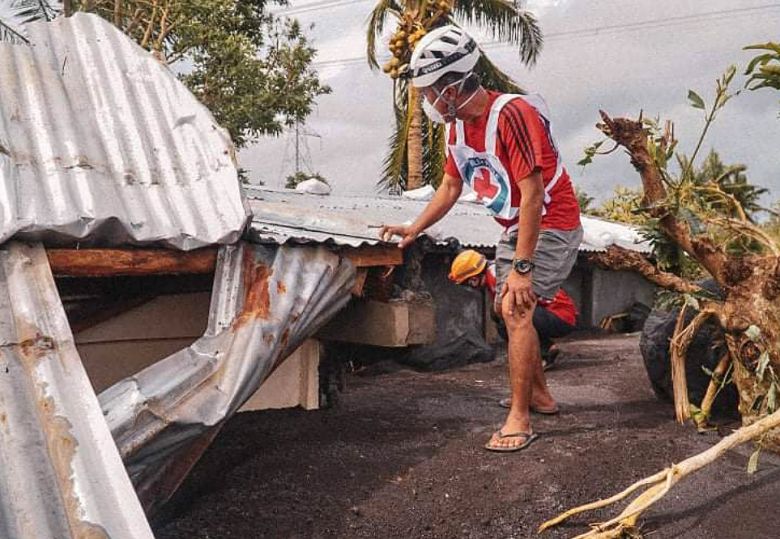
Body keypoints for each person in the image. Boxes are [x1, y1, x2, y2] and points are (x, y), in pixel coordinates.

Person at [379, 25, 582, 453]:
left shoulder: (512, 114)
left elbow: (532, 193)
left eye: (432, 91)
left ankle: (520, 419)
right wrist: (414, 228)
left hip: (554, 223)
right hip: (517, 228)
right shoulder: (455, 130)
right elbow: (450, 189)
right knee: (503, 307)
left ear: (453, 85)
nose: (429, 101)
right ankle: (540, 395)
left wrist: (523, 270)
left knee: (515, 307)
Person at [448, 249, 578, 372]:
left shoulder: (496, 278)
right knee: (501, 315)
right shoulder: (496, 271)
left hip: (561, 316)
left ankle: (541, 355)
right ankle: (545, 349)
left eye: (467, 283)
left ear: (474, 279)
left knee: (509, 317)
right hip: (557, 314)